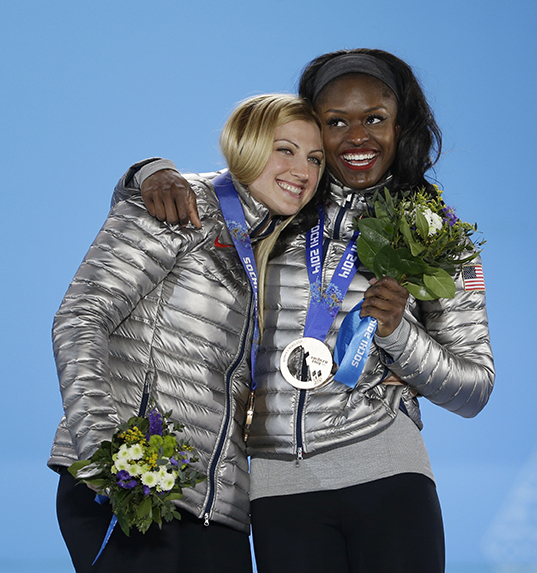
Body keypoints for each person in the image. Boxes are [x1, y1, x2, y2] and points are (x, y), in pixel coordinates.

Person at [117, 48, 495, 573]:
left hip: (387, 468)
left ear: (400, 126)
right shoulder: (276, 204)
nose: (357, 137)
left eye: (374, 120)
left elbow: (475, 388)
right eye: (335, 122)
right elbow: (199, 196)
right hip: (277, 485)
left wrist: (399, 338)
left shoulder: (435, 235)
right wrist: (147, 171)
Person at [48, 93, 324, 573]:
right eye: (285, 149)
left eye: (315, 158)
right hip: (136, 488)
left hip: (220, 508)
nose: (302, 169)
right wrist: (105, 459)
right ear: (249, 144)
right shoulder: (183, 201)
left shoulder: (279, 249)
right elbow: (80, 318)